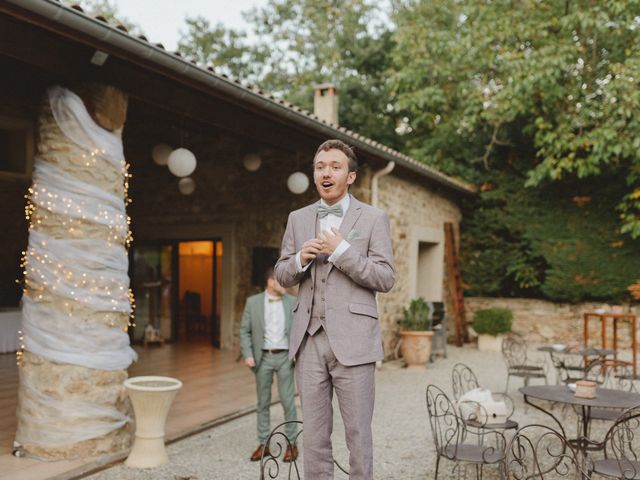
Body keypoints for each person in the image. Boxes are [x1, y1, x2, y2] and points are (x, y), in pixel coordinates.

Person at [275, 139, 396, 479]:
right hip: (308, 339)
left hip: (354, 343)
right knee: (313, 436)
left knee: (358, 435)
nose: (326, 172)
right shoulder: (297, 219)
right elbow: (282, 275)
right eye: (320, 167)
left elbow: (386, 278)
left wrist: (343, 251)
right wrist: (300, 257)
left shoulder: (373, 218)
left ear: (351, 176)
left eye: (335, 167)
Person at [239, 267, 298, 462]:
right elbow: (245, 331)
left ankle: (291, 443)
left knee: (288, 401)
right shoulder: (253, 303)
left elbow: (299, 330)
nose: (286, 285)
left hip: (284, 358)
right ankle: (264, 443)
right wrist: (247, 354)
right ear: (271, 282)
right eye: (282, 281)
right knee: (262, 403)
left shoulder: (292, 302)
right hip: (262, 358)